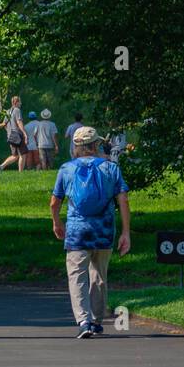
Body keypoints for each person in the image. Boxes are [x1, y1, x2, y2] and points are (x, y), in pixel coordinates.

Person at [51, 126, 130, 338]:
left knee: (77, 276)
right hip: (103, 230)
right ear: (96, 145)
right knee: (99, 276)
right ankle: (96, 320)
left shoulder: (66, 169)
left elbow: (54, 202)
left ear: (76, 147)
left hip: (77, 231)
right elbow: (123, 199)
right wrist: (126, 232)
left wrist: (57, 222)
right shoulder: (111, 168)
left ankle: (83, 321)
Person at [0, 96, 28, 172]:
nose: (20, 103)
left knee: (15, 155)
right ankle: (20, 173)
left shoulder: (8, 111)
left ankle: (1, 166)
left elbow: (4, 124)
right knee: (23, 154)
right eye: (19, 102)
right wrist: (24, 133)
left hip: (10, 136)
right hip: (18, 135)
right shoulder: (17, 110)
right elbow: (19, 122)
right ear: (16, 102)